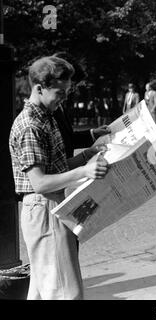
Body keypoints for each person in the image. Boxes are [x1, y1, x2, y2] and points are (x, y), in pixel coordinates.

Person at [9, 56, 109, 299]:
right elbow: (40, 182)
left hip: (48, 206)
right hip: (44, 208)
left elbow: (57, 167)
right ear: (39, 88)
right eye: (60, 92)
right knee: (64, 292)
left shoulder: (46, 117)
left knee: (44, 290)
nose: (64, 97)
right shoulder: (32, 125)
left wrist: (88, 154)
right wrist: (84, 171)